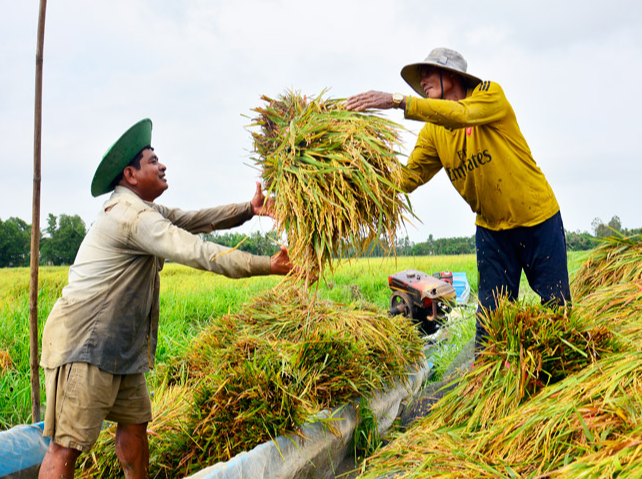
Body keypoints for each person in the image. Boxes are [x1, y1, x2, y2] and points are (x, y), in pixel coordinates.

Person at [38, 118, 293, 479]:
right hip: (85, 345)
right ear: (130, 173)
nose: (163, 166)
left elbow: (197, 220)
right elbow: (196, 251)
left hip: (121, 348)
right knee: (66, 447)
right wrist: (268, 264)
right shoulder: (131, 217)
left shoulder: (147, 211)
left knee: (135, 428)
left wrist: (249, 209)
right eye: (153, 161)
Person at [346, 47, 571, 350]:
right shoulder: (433, 133)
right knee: (490, 324)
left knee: (557, 311)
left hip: (537, 220)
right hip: (492, 232)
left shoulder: (490, 96)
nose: (422, 81)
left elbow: (461, 115)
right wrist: (358, 168)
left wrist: (396, 101)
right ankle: (486, 385)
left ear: (450, 74)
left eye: (427, 72)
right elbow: (407, 179)